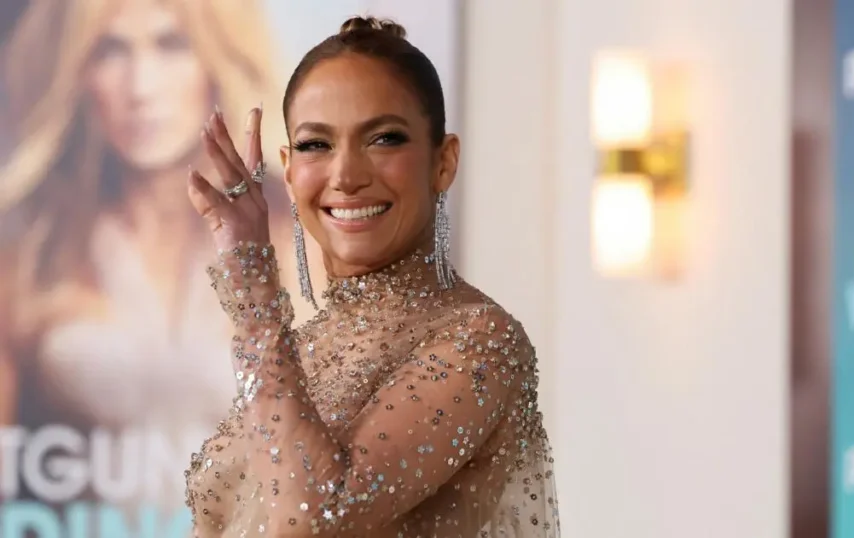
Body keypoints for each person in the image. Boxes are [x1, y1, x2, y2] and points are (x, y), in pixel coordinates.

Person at [182, 16, 560, 538]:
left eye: (384, 139)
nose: (346, 176)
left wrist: (253, 288)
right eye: (316, 145)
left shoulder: (479, 341)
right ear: (288, 171)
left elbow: (314, 516)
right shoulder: (302, 348)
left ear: (444, 161)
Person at [0, 0, 316, 520]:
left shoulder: (301, 240)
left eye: (172, 45)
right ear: (78, 71)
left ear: (215, 60)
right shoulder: (31, 253)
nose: (141, 87)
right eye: (110, 50)